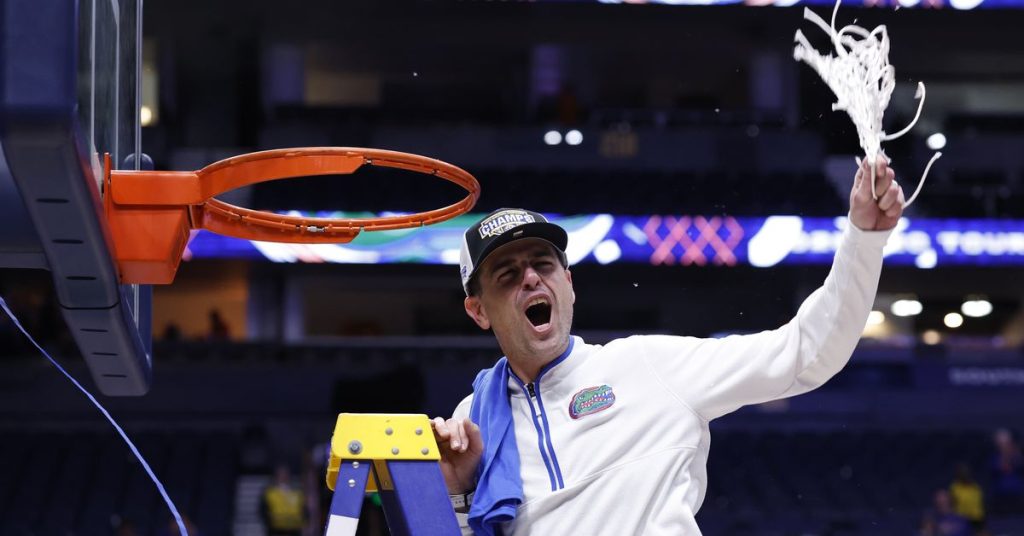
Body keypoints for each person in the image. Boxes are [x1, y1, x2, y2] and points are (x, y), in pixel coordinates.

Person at [431, 158, 905, 535]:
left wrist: (863, 241)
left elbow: (806, 351)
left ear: (569, 284)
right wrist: (455, 493)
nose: (532, 278)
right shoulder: (472, 419)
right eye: (508, 274)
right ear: (478, 310)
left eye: (543, 264)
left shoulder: (648, 365)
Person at [261, 465, 306, 536]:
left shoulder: (297, 493)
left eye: (285, 475)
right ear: (276, 476)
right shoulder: (270, 493)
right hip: (276, 529)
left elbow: (304, 510)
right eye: (281, 475)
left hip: (294, 529)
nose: (283, 477)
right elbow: (263, 511)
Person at [949, 463, 985, 534]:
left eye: (966, 472)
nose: (964, 475)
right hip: (962, 519)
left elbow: (980, 503)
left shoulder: (975, 487)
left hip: (978, 519)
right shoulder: (955, 488)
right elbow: (952, 504)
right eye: (962, 473)